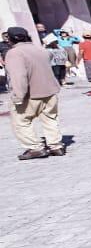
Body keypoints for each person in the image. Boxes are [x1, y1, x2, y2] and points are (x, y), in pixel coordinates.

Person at [4, 27, 64, 159]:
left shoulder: (14, 53)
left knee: (21, 121)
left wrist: (18, 96)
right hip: (50, 91)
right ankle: (56, 146)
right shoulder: (42, 50)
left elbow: (19, 76)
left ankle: (35, 148)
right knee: (50, 119)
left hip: (31, 94)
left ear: (11, 39)